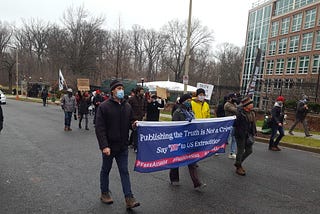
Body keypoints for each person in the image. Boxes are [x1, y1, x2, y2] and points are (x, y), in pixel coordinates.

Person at [95, 80, 140, 209]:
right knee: (106, 170)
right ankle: (104, 193)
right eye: (118, 88)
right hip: (109, 147)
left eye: (122, 88)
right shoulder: (104, 107)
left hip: (122, 147)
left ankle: (129, 198)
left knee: (124, 171)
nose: (121, 90)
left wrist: (134, 124)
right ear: (113, 91)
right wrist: (104, 146)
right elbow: (100, 128)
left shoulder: (127, 106)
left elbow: (131, 121)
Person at [169, 93, 206, 190]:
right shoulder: (178, 112)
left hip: (189, 140)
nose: (190, 102)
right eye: (188, 100)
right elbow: (174, 126)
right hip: (180, 140)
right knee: (176, 160)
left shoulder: (190, 112)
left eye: (190, 100)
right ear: (183, 101)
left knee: (192, 161)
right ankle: (174, 178)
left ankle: (197, 183)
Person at [233, 96, 257, 176]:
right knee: (240, 150)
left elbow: (253, 124)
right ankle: (238, 167)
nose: (252, 105)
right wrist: (237, 117)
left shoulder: (252, 112)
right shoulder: (240, 113)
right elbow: (235, 124)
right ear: (246, 105)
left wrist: (254, 132)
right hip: (240, 135)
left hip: (248, 134)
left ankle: (238, 163)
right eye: (251, 104)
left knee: (249, 151)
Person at [128, 86, 147, 152]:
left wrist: (144, 114)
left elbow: (145, 107)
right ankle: (135, 147)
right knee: (135, 132)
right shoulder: (132, 99)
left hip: (141, 118)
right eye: (142, 91)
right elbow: (128, 108)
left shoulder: (143, 99)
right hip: (133, 119)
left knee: (138, 132)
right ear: (138, 92)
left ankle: (132, 143)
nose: (143, 93)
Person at [224, 93, 238, 159]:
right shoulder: (227, 104)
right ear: (230, 98)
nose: (234, 99)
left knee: (234, 139)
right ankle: (217, 149)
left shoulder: (234, 104)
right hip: (229, 124)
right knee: (227, 140)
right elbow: (236, 110)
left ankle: (232, 152)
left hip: (234, 123)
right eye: (233, 98)